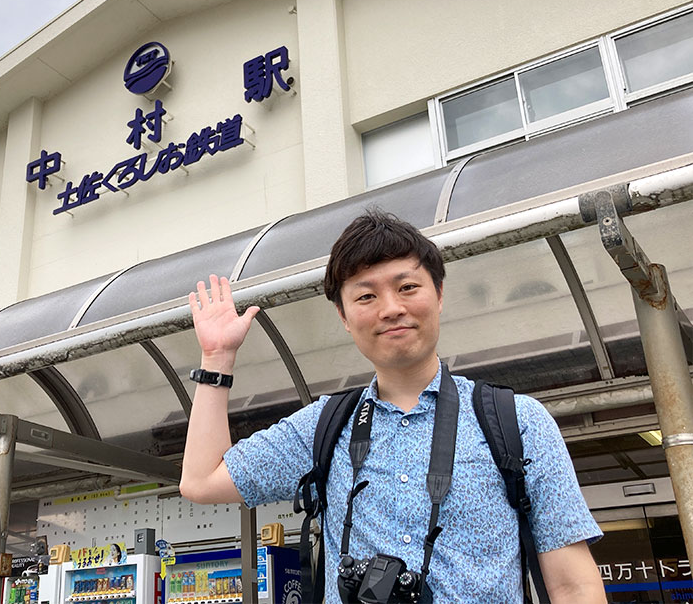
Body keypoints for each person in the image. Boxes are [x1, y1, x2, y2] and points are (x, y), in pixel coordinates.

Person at [179, 209, 605, 603]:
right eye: (365, 297)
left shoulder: (518, 421)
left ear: (439, 294)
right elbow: (200, 482)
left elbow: (571, 582)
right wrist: (217, 360)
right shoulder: (324, 426)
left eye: (407, 287)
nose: (391, 309)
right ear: (344, 317)